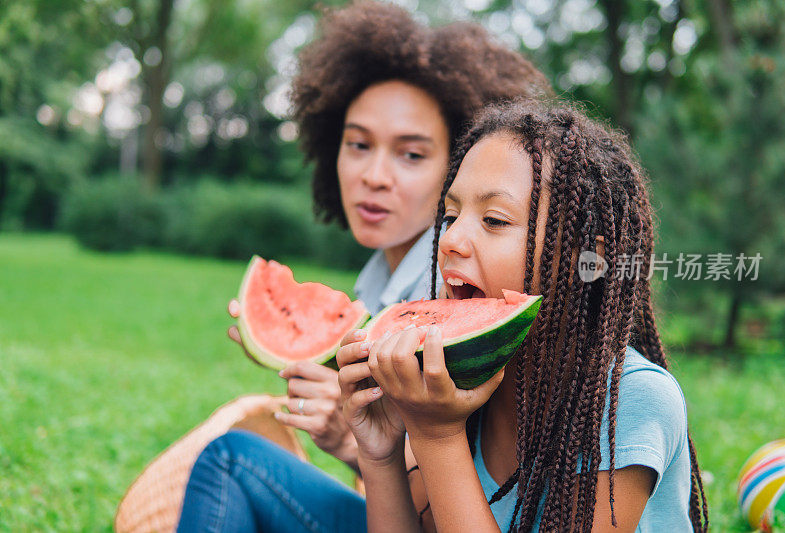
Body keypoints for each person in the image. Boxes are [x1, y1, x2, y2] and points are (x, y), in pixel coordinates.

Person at [175, 2, 549, 531]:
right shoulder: (377, 280)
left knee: (233, 460)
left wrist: (355, 441)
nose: (374, 175)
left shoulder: (461, 285)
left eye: (411, 155)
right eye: (358, 145)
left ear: (460, 164)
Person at [337, 99, 709, 532]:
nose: (451, 239)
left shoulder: (632, 399)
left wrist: (437, 436)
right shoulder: (456, 382)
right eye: (452, 214)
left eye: (494, 220)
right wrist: (380, 453)